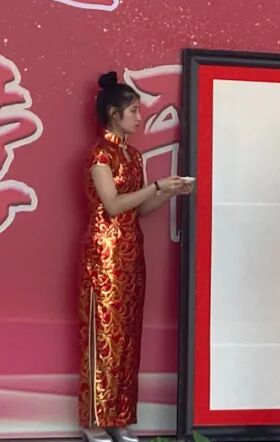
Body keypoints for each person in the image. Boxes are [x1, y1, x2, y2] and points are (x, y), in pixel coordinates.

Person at [79, 72, 192, 442]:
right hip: (103, 255)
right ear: (114, 113)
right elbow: (112, 205)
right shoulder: (100, 154)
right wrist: (155, 186)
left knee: (128, 337)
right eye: (133, 111)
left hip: (131, 253)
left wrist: (169, 191)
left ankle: (119, 419)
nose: (139, 118)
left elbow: (139, 209)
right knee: (103, 335)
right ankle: (94, 422)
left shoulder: (133, 154)